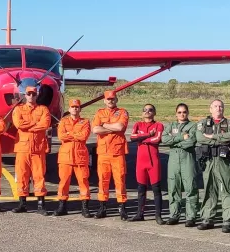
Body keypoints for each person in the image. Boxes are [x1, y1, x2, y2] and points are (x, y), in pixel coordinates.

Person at [197, 100, 230, 231]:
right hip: (209, 160)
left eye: (220, 106)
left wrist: (212, 137)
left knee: (227, 190)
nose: (218, 108)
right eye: (215, 106)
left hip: (223, 161)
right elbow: (199, 138)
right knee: (209, 190)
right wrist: (219, 139)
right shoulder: (202, 123)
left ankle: (227, 220)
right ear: (210, 109)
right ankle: (207, 218)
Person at [12, 85, 51, 213]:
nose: (31, 96)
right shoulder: (18, 109)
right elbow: (18, 124)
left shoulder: (43, 109)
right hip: (23, 148)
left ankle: (41, 204)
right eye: (29, 94)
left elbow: (45, 124)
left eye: (34, 94)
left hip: (38, 149)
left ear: (37, 95)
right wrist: (35, 123)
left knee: (39, 176)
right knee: (22, 175)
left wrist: (28, 126)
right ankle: (22, 203)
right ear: (25, 95)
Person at [91, 90, 129, 219]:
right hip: (103, 153)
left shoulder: (122, 112)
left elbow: (120, 127)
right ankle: (102, 208)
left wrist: (104, 125)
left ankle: (122, 208)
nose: (110, 101)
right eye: (108, 99)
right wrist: (111, 128)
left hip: (117, 152)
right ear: (104, 100)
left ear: (116, 100)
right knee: (103, 181)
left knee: (120, 180)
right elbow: (95, 129)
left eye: (113, 99)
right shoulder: (99, 112)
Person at [161, 103, 200, 226]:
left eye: (184, 112)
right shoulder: (171, 125)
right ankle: (174, 215)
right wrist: (181, 137)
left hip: (187, 159)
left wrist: (174, 141)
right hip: (173, 160)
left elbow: (191, 142)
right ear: (176, 113)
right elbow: (164, 139)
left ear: (188, 113)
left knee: (190, 187)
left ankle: (191, 217)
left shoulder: (193, 126)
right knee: (173, 188)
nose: (182, 114)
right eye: (179, 112)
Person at [52, 99, 92, 217]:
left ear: (80, 109)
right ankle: (62, 206)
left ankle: (85, 207)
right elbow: (61, 136)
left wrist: (69, 134)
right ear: (69, 109)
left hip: (80, 157)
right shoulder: (63, 121)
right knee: (63, 182)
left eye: (77, 107)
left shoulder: (85, 122)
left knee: (83, 182)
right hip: (66, 157)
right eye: (73, 107)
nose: (75, 109)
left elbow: (84, 136)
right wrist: (75, 135)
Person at [128, 104, 164, 222]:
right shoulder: (138, 124)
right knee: (141, 189)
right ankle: (140, 214)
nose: (147, 112)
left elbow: (157, 139)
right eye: (145, 110)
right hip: (141, 162)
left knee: (156, 188)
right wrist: (148, 135)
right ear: (142, 113)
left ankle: (158, 215)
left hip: (153, 162)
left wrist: (142, 139)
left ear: (154, 112)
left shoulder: (158, 125)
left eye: (150, 110)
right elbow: (132, 138)